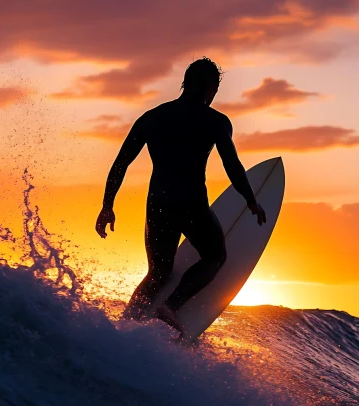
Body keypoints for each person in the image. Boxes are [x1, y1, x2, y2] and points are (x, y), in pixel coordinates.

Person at [95, 58, 266, 333]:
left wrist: (107, 206)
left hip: (158, 205)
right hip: (191, 204)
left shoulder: (152, 117)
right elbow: (231, 164)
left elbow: (120, 163)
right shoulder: (215, 122)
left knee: (159, 272)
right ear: (211, 87)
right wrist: (250, 200)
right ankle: (171, 306)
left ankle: (125, 325)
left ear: (186, 83)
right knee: (214, 257)